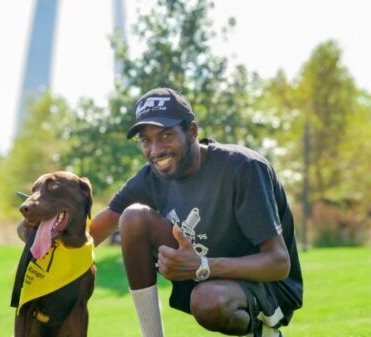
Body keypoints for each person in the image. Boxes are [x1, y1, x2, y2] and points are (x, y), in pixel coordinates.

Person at [89, 88, 303, 337]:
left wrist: (203, 265)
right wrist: (47, 233)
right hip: (205, 269)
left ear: (192, 131)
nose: (155, 150)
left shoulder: (243, 168)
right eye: (146, 141)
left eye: (166, 135)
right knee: (133, 217)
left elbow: (278, 263)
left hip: (267, 286)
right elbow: (93, 233)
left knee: (207, 301)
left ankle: (267, 333)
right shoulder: (151, 176)